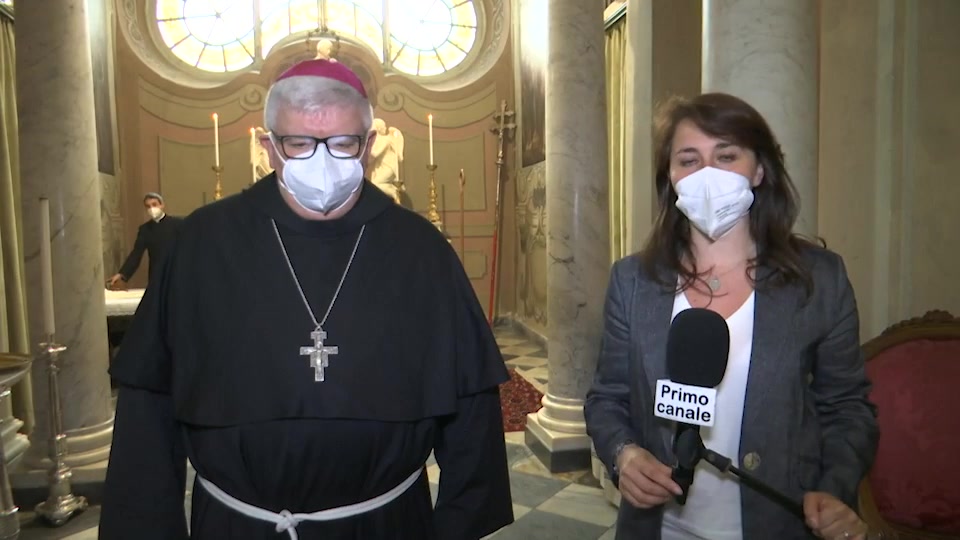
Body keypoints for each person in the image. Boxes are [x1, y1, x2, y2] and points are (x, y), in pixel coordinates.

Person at [100, 59, 513, 539]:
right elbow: (148, 405)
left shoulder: (421, 249)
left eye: (342, 143)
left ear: (370, 146)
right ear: (268, 148)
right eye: (298, 143)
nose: (323, 161)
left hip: (387, 525)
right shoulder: (201, 245)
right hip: (239, 526)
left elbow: (472, 410)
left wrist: (457, 526)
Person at [584, 93, 879, 540]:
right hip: (659, 527)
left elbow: (848, 407)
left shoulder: (818, 279)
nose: (707, 175)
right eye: (689, 159)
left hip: (778, 520)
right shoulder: (632, 281)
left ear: (758, 169)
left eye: (726, 156)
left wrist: (834, 488)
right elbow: (607, 398)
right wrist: (623, 454)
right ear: (670, 175)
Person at [106, 192, 182, 289]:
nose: (151, 208)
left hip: (177, 270)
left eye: (154, 204)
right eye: (148, 206)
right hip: (156, 274)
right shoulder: (145, 229)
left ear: (162, 205)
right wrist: (122, 274)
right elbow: (136, 254)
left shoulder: (178, 225)